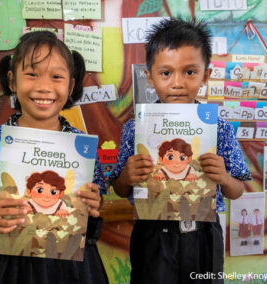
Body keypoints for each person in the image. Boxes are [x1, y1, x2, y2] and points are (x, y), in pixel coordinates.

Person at [109, 18, 251, 283]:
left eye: (189, 72)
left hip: (203, 233)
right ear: (150, 77)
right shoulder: (135, 128)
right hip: (151, 232)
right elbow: (120, 189)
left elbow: (238, 190)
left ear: (205, 76)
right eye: (166, 73)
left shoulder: (218, 127)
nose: (177, 83)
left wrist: (223, 178)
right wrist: (126, 177)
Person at [0, 31, 108, 284]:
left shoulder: (81, 145)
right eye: (31, 74)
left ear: (70, 86)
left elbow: (96, 200)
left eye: (57, 77)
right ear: (12, 80)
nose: (43, 87)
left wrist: (94, 201)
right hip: (15, 265)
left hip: (74, 264)